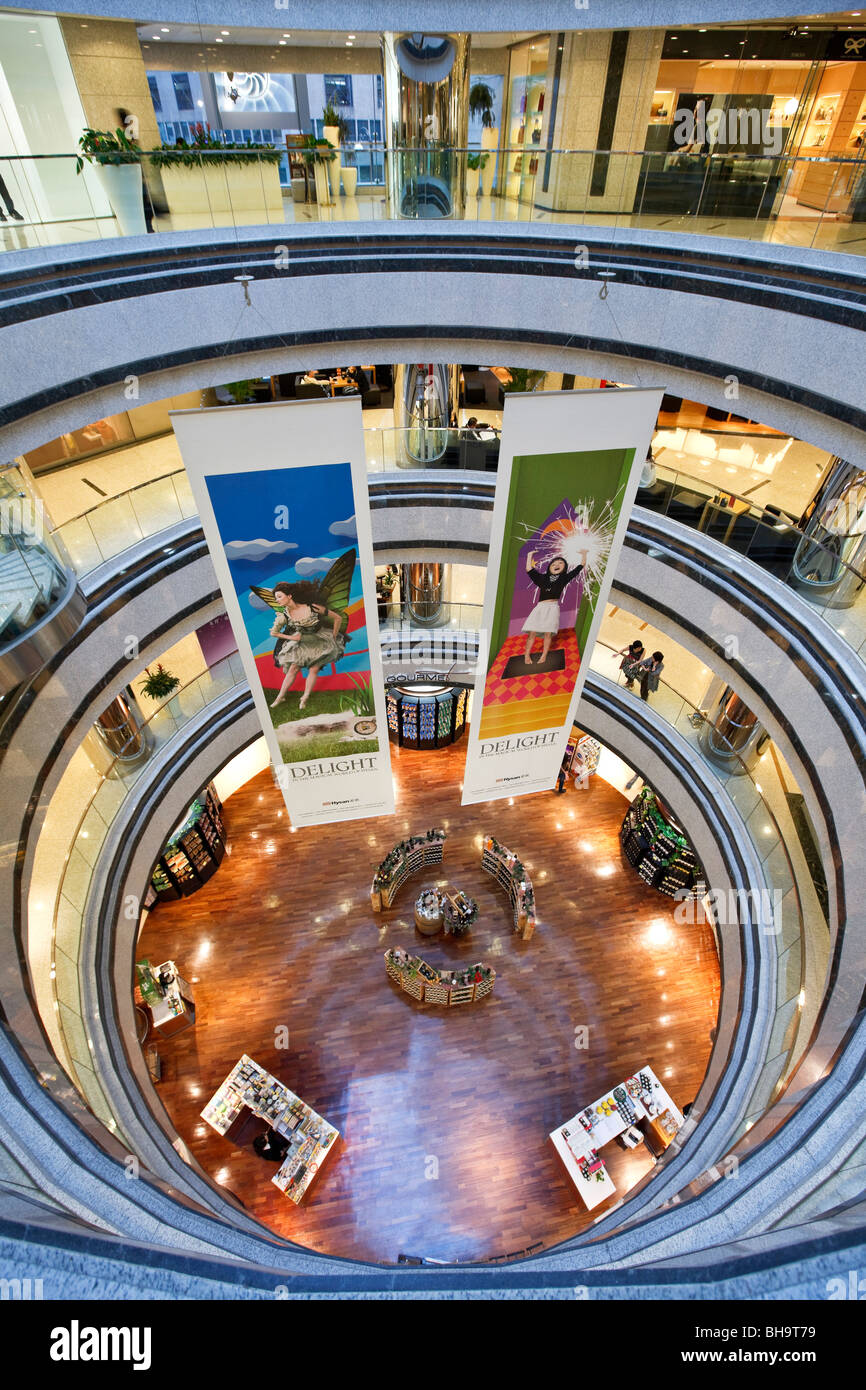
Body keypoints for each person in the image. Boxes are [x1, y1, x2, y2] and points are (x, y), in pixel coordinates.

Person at [269, 580, 345, 710]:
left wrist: (333, 635)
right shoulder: (284, 616)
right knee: (293, 668)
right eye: (276, 598)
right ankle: (280, 697)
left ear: (290, 596)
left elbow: (338, 618)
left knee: (314, 669)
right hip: (302, 642)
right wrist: (291, 637)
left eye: (280, 596)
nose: (277, 600)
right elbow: (274, 633)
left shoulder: (312, 607)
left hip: (320, 641)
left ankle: (305, 697)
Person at [522, 549, 586, 666]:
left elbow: (580, 567)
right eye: (554, 564)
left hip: (553, 608)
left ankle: (544, 655)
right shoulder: (542, 578)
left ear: (564, 568)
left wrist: (584, 555)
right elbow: (529, 569)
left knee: (548, 633)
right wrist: (529, 555)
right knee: (532, 632)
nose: (556, 565)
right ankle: (526, 655)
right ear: (549, 567)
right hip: (540, 607)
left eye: (560, 563)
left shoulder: (564, 578)